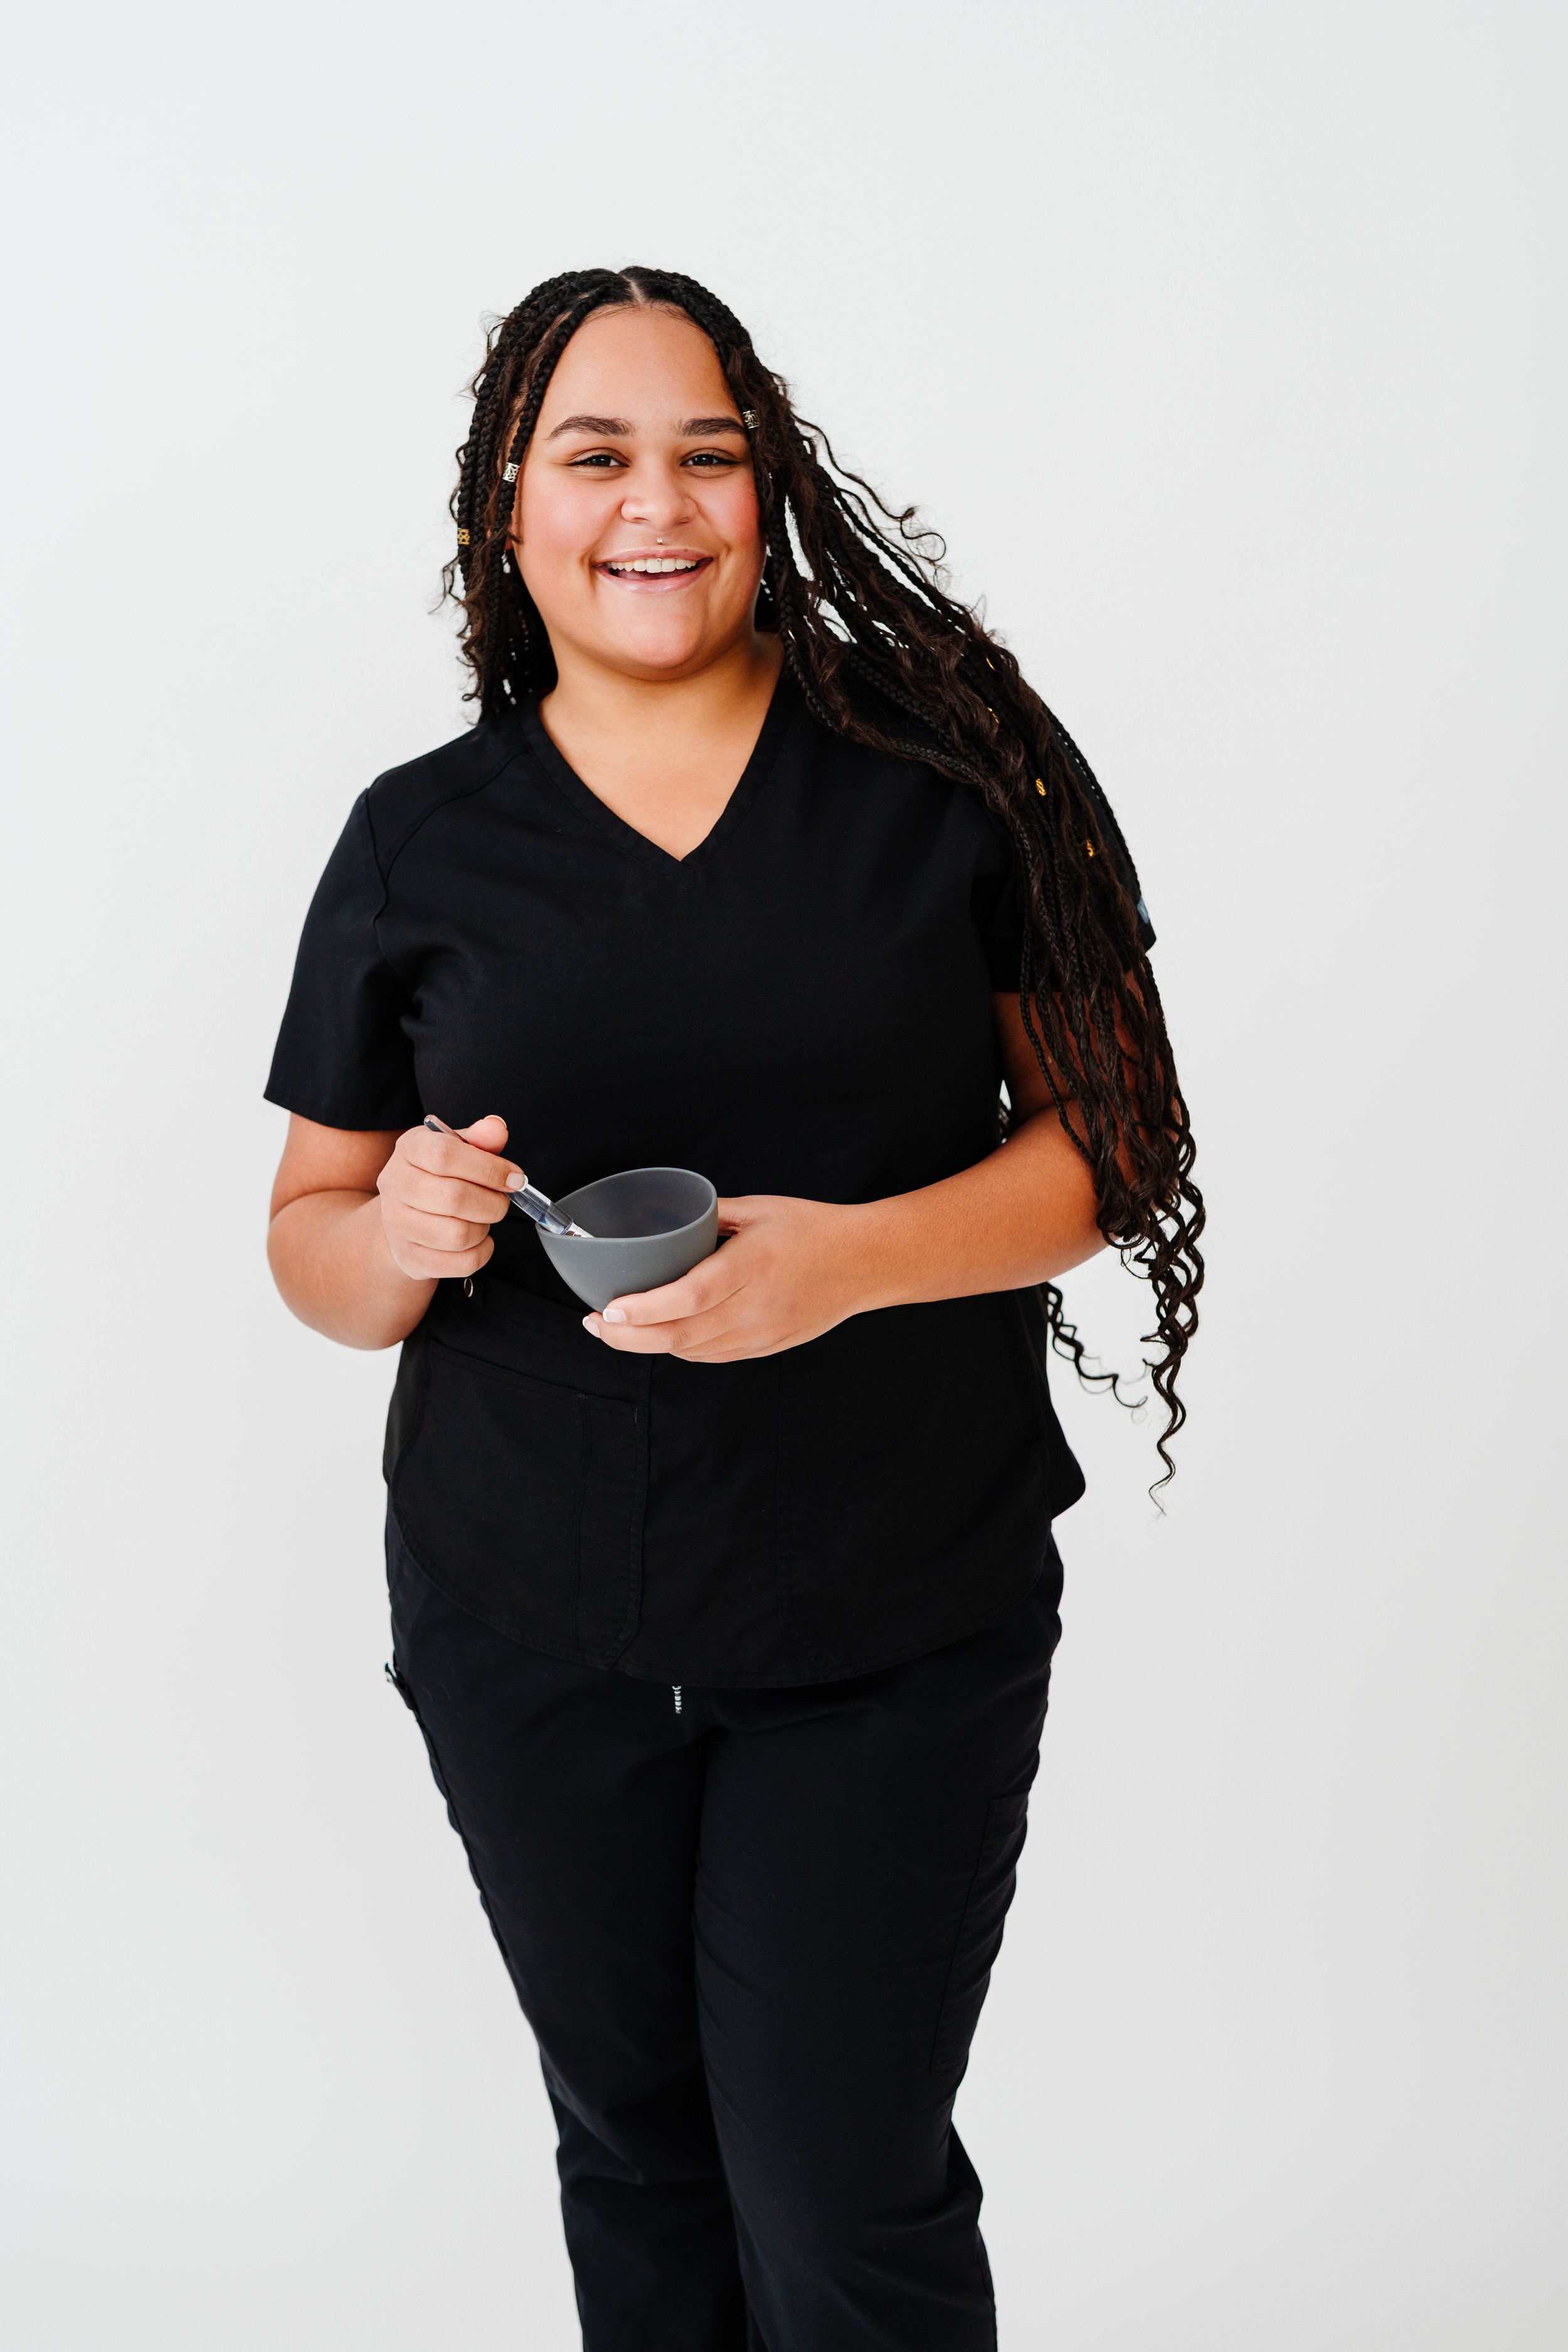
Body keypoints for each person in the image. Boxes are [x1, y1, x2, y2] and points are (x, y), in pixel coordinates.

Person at [264, 265, 1202, 2351]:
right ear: (504, 508)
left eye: (707, 451)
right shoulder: (419, 840)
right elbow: (312, 1237)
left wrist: (843, 1261)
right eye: (593, 455)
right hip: (527, 1619)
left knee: (838, 2191)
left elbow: (1117, 1141)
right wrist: (397, 1229)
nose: (654, 503)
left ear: (765, 487)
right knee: (638, 2155)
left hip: (892, 1612)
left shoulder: (953, 770)